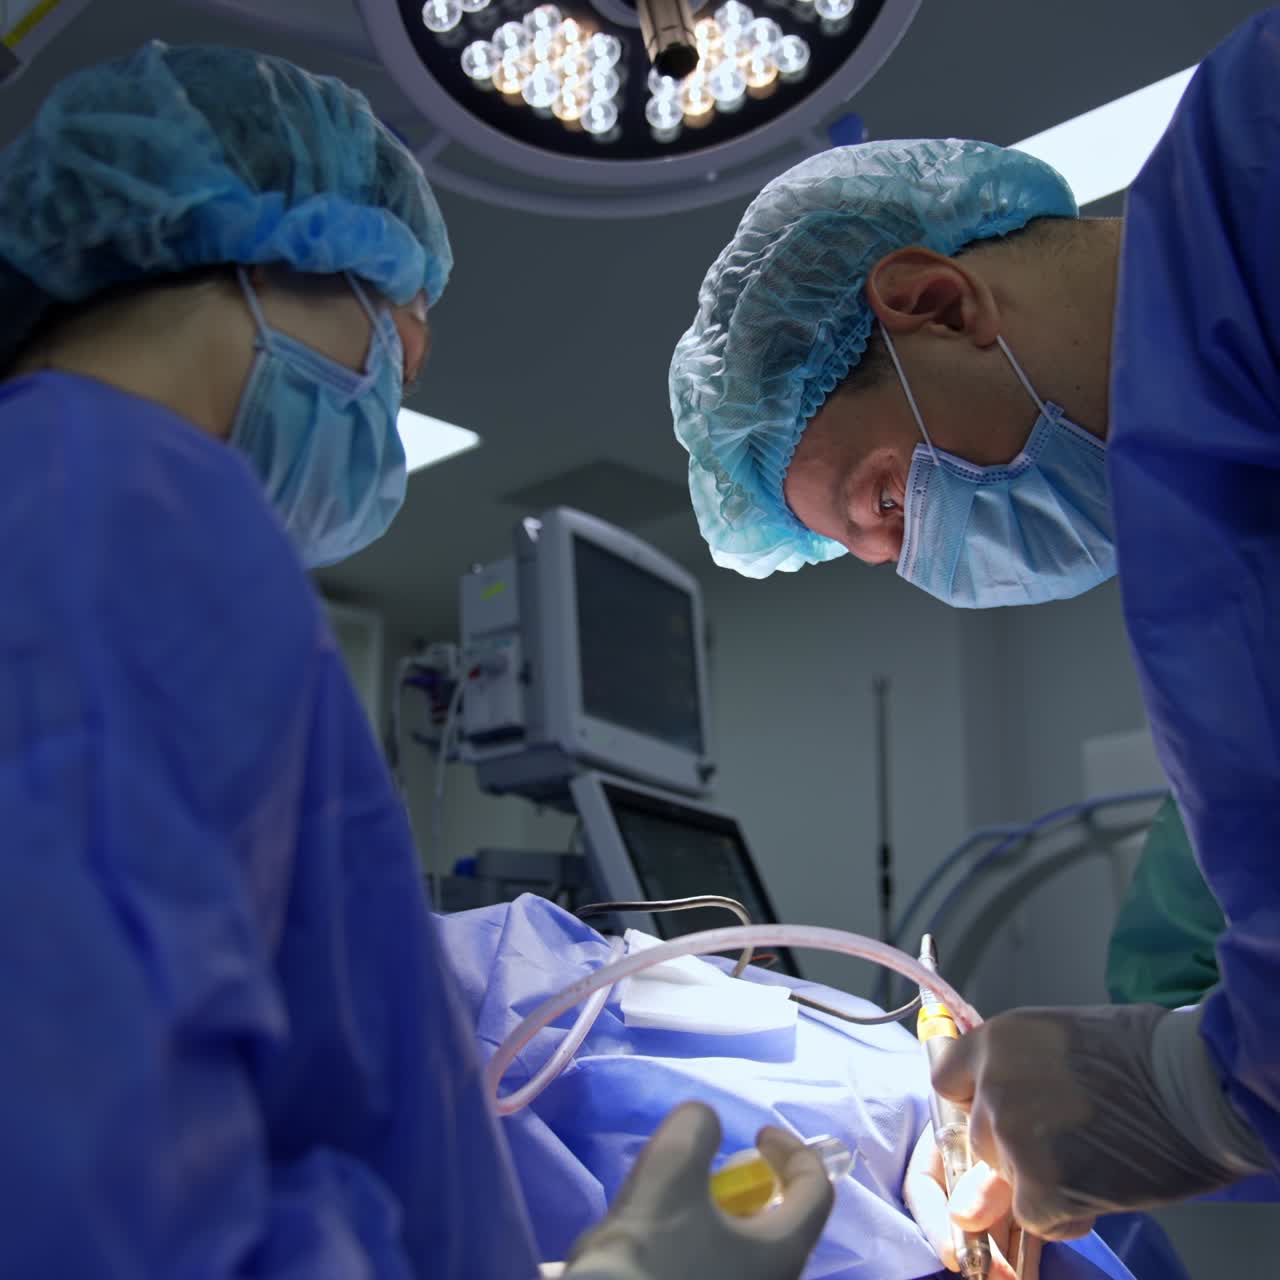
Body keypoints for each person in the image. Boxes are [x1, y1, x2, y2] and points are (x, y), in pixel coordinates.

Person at [0, 42, 833, 1279]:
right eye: (394, 336)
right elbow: (99, 1204)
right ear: (281, 250)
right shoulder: (121, 500)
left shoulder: (92, 500)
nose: (407, 372)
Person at [669, 5, 1279, 1254]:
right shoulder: (1212, 524)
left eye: (885, 500)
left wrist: (1198, 1087)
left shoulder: (1255, 166)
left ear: (933, 301)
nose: (927, 567)